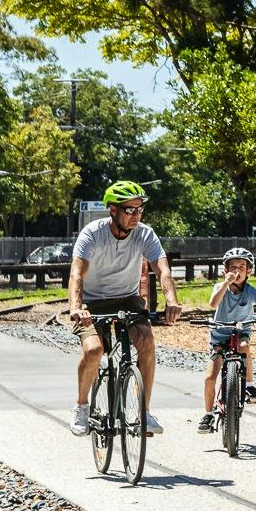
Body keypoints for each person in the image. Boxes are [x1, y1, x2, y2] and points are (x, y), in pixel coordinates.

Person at [69, 181, 181, 435]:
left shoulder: (145, 234)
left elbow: (162, 270)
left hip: (127, 298)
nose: (135, 216)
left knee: (147, 342)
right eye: (129, 211)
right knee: (94, 350)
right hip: (91, 301)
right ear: (112, 210)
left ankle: (144, 412)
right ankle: (81, 406)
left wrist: (171, 301)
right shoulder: (92, 233)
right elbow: (77, 273)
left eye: (139, 210)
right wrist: (76, 306)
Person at [199, 247, 256, 433]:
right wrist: (225, 284)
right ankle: (208, 413)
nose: (237, 271)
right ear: (225, 271)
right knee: (209, 377)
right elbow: (213, 304)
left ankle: (249, 385)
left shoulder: (250, 290)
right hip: (220, 334)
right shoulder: (219, 287)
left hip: (241, 331)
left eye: (241, 266)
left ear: (249, 271)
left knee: (244, 346)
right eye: (232, 267)